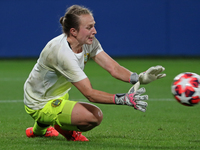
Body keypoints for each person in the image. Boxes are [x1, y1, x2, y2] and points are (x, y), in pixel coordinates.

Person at [24, 5, 166, 141]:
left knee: (65, 109)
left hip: (58, 95)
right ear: (73, 31)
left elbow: (113, 68)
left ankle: (38, 130)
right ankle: (65, 130)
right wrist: (123, 99)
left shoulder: (87, 42)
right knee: (93, 117)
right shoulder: (62, 54)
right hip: (39, 103)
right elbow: (90, 94)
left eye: (94, 25)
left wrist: (138, 77)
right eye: (89, 27)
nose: (95, 31)